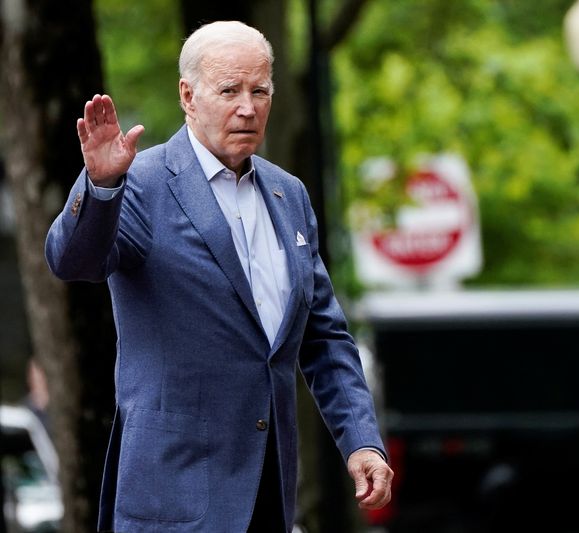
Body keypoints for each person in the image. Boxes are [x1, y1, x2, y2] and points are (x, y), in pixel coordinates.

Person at [45, 20, 392, 533]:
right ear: (188, 95)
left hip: (269, 494)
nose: (248, 107)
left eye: (261, 90)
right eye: (229, 90)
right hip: (172, 496)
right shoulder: (140, 182)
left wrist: (361, 439)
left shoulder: (288, 194)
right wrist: (99, 187)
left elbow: (323, 335)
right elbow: (72, 262)